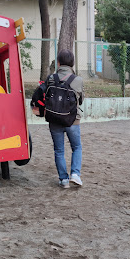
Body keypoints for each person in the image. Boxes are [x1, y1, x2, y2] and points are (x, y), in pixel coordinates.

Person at [32, 49, 84, 189]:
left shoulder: (51, 78)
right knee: (76, 147)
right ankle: (75, 174)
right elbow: (80, 100)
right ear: (72, 63)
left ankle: (63, 180)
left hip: (54, 119)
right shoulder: (78, 80)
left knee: (59, 150)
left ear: (59, 63)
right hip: (72, 120)